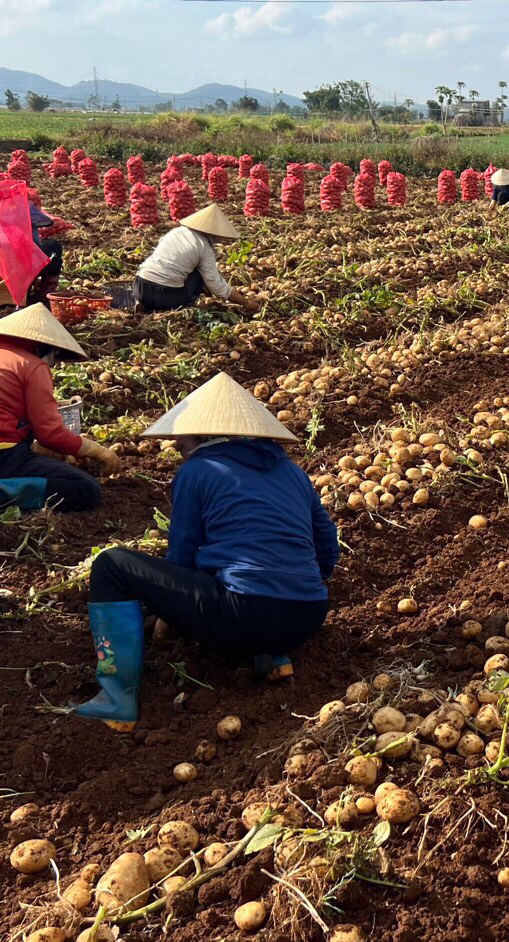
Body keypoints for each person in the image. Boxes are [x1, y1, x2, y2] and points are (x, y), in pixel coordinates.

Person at [70, 372, 338, 731]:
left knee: (112, 564)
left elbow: (182, 551)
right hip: (308, 616)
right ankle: (272, 656)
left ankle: (116, 699)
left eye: (181, 444)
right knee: (238, 572)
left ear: (199, 437)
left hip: (243, 615)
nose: (180, 450)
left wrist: (165, 609)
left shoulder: (198, 469)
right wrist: (293, 586)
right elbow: (326, 547)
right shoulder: (293, 472)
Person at [0, 304, 122, 512]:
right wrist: (97, 451)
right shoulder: (31, 366)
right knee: (85, 488)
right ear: (42, 347)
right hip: (4, 456)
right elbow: (50, 434)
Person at [133, 204, 262, 313]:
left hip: (140, 286)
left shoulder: (175, 232)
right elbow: (214, 283)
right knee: (201, 274)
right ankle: (184, 305)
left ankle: (144, 303)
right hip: (166, 296)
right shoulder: (204, 247)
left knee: (188, 268)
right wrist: (244, 302)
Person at [27, 203, 62, 307]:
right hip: (25, 262)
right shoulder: (22, 206)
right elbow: (46, 221)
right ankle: (45, 294)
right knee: (54, 246)